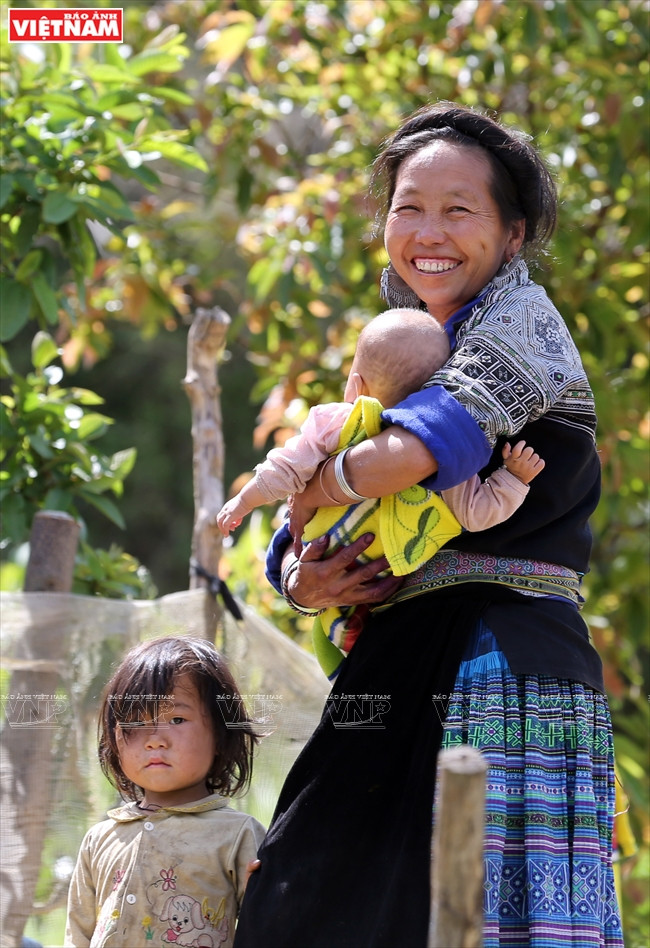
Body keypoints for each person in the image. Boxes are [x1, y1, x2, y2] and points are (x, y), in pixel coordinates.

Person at [233, 102, 623, 948]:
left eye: (460, 209)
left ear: (514, 235)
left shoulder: (523, 325)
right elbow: (331, 526)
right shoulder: (404, 343)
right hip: (393, 659)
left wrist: (319, 484)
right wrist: (302, 577)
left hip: (501, 662)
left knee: (467, 918)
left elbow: (411, 456)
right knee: (304, 901)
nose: (428, 231)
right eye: (409, 207)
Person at [218, 308, 545, 679]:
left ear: (356, 386)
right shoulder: (449, 463)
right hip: (392, 595)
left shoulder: (338, 425)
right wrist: (513, 480)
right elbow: (477, 512)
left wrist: (244, 501)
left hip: (340, 580)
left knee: (336, 648)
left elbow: (284, 468)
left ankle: (343, 688)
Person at [65, 636, 266, 948]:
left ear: (220, 733)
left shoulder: (238, 835)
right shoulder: (99, 840)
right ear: (113, 739)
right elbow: (78, 935)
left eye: (176, 719)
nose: (155, 739)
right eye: (135, 720)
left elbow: (270, 928)